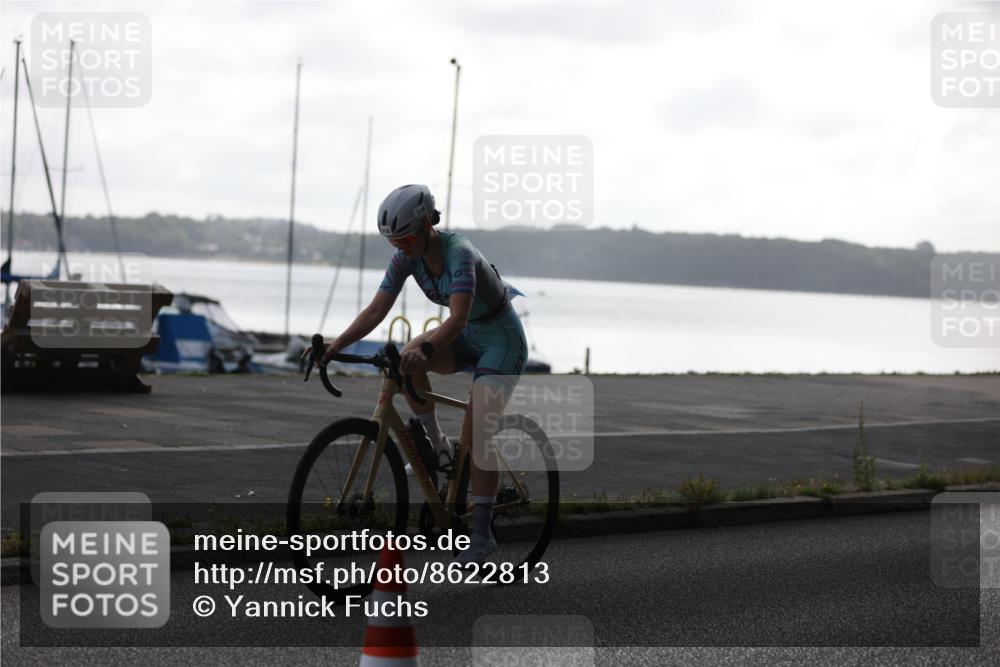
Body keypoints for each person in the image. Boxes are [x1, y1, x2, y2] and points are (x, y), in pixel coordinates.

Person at [316, 184, 528, 565]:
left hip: (500, 339)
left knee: (478, 430)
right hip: (466, 335)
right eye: (393, 242)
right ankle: (439, 446)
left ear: (429, 223)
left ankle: (481, 535)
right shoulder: (405, 258)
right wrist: (336, 345)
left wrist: (427, 350)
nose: (401, 247)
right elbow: (376, 310)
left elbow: (459, 317)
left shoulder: (459, 253)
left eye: (407, 237)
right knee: (407, 356)